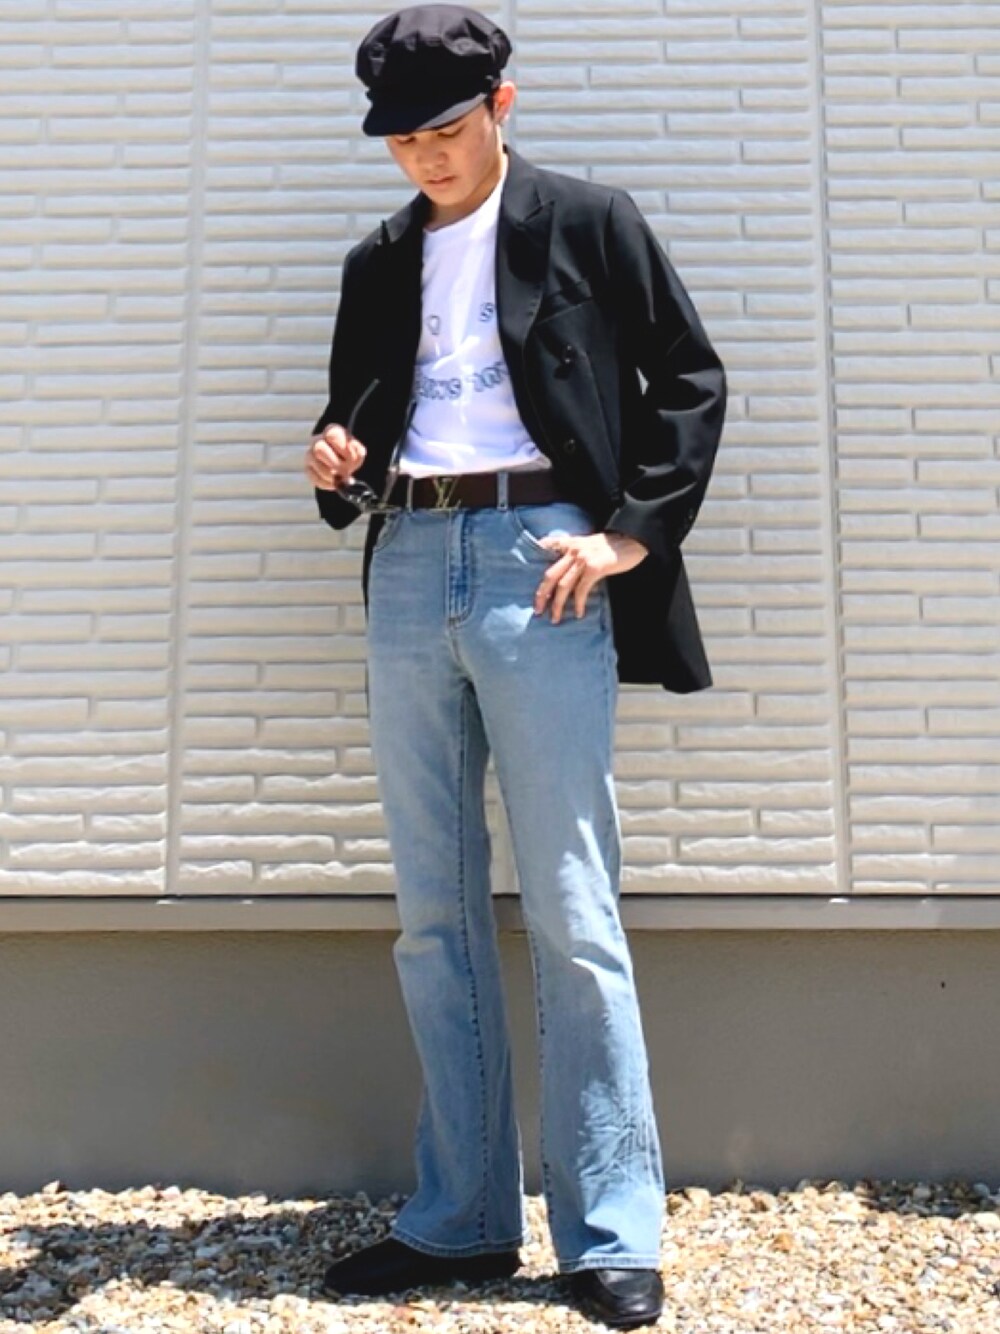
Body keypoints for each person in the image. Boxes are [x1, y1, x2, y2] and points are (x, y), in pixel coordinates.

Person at [304, 5, 727, 1327]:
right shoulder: (381, 260)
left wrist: (627, 536)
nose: (425, 157)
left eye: (444, 128)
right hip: (409, 561)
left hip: (539, 562)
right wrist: (335, 459)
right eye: (400, 141)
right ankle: (461, 1221)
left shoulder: (588, 222)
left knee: (571, 907)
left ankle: (610, 1230)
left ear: (501, 104)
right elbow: (357, 428)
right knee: (433, 916)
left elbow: (690, 380)